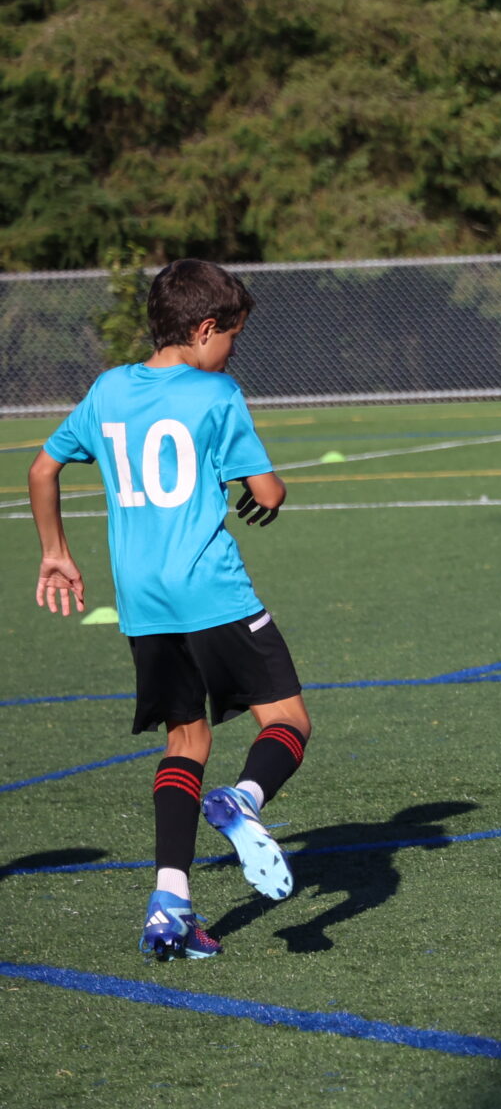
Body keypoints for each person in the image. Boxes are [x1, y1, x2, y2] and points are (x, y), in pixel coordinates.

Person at [27, 260, 310, 961]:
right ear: (204, 328)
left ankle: (170, 902)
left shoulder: (108, 388)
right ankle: (244, 798)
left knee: (185, 742)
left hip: (145, 606)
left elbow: (41, 467)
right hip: (212, 592)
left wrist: (56, 550)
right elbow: (267, 491)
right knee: (289, 721)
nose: (234, 351)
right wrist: (270, 494)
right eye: (233, 336)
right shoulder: (217, 393)